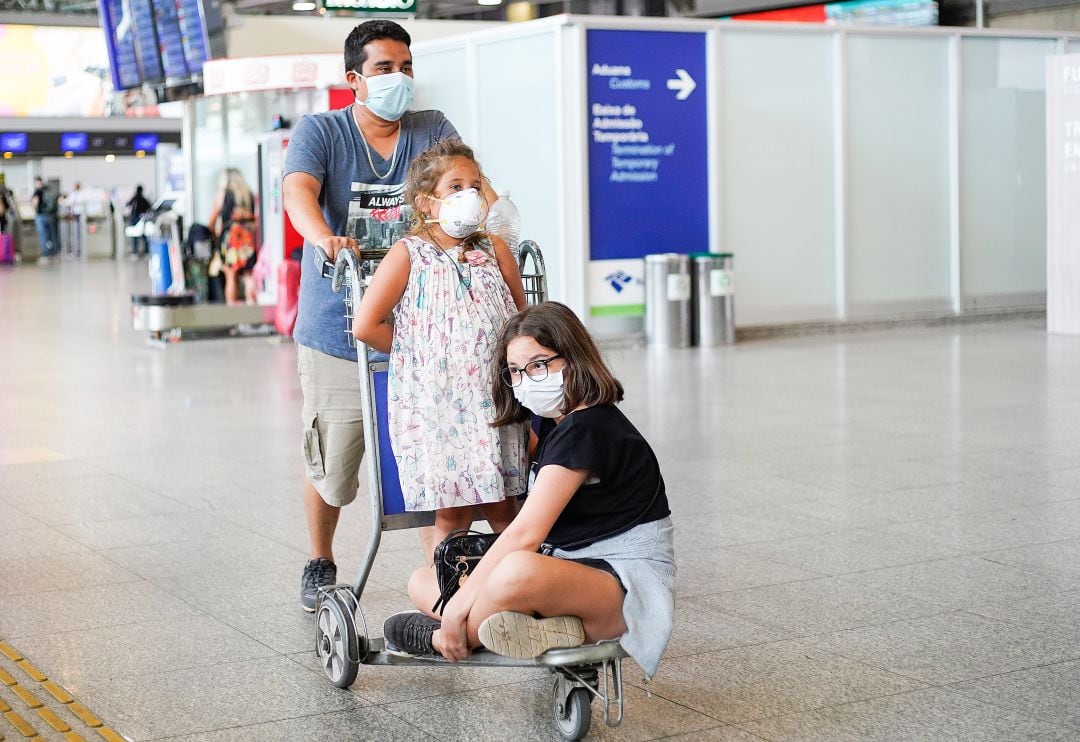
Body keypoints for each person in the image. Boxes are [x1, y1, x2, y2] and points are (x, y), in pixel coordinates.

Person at [283, 19, 487, 612]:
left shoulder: (431, 128)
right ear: (354, 78)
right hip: (338, 328)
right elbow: (298, 190)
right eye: (383, 69)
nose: (398, 78)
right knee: (334, 460)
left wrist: (492, 222)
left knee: (428, 452)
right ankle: (321, 559)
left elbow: (468, 188)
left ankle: (438, 573)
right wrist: (323, 236)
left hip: (426, 330)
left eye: (405, 66)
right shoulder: (322, 131)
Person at [383, 302, 676, 681]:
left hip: (621, 590)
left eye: (540, 365)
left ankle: (445, 638)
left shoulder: (587, 429)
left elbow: (525, 533)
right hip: (568, 573)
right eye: (516, 371)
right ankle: (549, 633)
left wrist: (456, 611)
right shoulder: (561, 422)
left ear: (573, 357)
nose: (527, 379)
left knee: (516, 568)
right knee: (424, 580)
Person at [352, 139, 527, 564]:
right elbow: (366, 324)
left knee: (507, 507)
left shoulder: (495, 249)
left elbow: (524, 319)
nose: (469, 195)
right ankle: (449, 598)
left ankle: (517, 594)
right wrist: (420, 353)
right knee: (451, 513)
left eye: (475, 184)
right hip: (439, 409)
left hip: (494, 402)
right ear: (427, 203)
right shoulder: (408, 255)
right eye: (455, 187)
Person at [207, 168, 258, 304]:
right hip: (247, 237)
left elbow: (212, 221)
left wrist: (215, 234)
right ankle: (252, 309)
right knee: (248, 275)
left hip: (231, 238)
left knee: (231, 275)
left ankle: (232, 312)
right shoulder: (248, 193)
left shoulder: (222, 194)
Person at [31, 177, 59, 263]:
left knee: (43, 236)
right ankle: (54, 254)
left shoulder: (37, 191)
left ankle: (45, 255)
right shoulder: (49, 190)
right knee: (52, 235)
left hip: (41, 216)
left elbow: (35, 203)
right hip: (51, 216)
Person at [125, 184, 153, 258]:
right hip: (142, 219)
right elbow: (150, 207)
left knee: (135, 236)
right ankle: (146, 251)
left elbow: (127, 204)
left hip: (134, 219)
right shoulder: (143, 199)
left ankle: (134, 252)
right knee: (144, 235)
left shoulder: (134, 198)